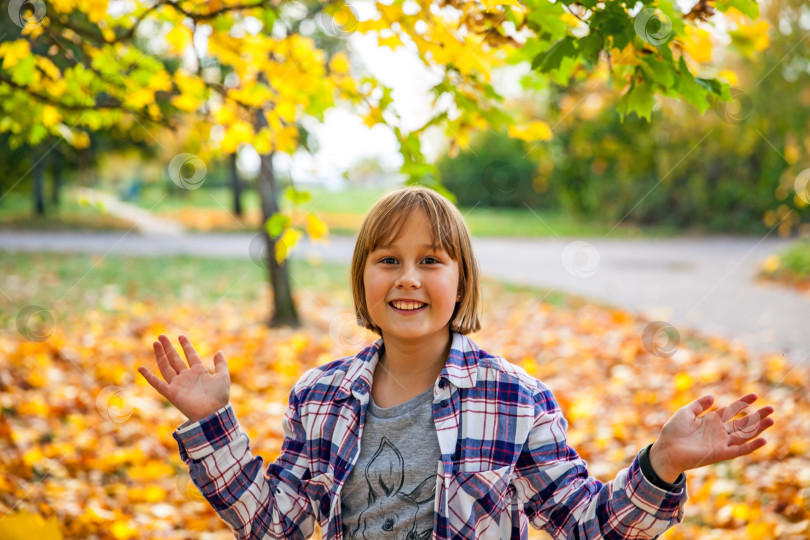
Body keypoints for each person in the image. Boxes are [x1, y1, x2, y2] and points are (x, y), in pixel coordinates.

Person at [138, 186, 775, 540]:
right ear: (362, 279)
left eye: (430, 261)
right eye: (387, 260)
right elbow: (278, 522)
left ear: (462, 280)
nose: (408, 278)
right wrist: (213, 425)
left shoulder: (516, 399)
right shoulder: (320, 395)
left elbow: (589, 526)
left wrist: (661, 466)